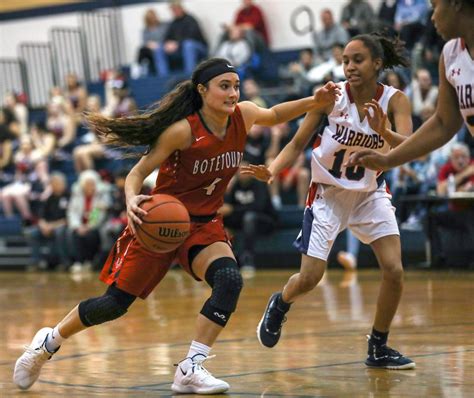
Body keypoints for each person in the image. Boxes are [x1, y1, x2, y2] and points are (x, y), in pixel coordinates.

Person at [13, 58, 340, 394]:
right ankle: (47, 342)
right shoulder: (182, 131)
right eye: (224, 86)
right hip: (162, 223)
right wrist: (130, 199)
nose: (232, 93)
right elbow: (138, 173)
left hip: (204, 224)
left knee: (229, 281)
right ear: (202, 90)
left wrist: (315, 101)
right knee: (113, 304)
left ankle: (190, 367)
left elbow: (274, 115)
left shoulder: (244, 114)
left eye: (236, 86)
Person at [243, 32, 416, 369]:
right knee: (310, 278)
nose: (349, 66)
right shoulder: (330, 96)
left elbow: (407, 149)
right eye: (346, 60)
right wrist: (273, 169)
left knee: (394, 270)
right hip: (328, 194)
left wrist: (384, 132)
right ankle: (281, 302)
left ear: (377, 64)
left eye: (358, 60)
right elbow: (296, 143)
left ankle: (378, 347)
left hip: (370, 193)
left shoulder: (396, 101)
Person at [348, 0, 474, 171]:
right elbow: (443, 123)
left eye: (434, 6)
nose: (432, 17)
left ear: (455, 3)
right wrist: (388, 160)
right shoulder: (451, 54)